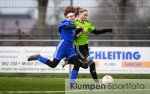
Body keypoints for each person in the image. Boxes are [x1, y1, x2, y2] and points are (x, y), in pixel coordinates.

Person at [27, 6, 83, 85]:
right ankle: (38, 57)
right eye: (69, 16)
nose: (71, 17)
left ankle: (71, 83)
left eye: (72, 16)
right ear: (66, 17)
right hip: (62, 47)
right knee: (53, 65)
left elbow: (72, 37)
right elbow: (66, 27)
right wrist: (76, 27)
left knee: (77, 63)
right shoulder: (65, 23)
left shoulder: (72, 26)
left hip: (70, 48)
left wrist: (79, 32)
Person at [63, 7, 113, 84]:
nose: (86, 17)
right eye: (84, 15)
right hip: (78, 47)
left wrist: (107, 30)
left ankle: (69, 61)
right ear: (79, 13)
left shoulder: (87, 23)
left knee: (86, 66)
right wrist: (77, 33)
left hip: (85, 47)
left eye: (87, 15)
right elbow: (69, 34)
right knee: (92, 63)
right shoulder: (74, 23)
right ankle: (97, 83)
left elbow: (96, 32)